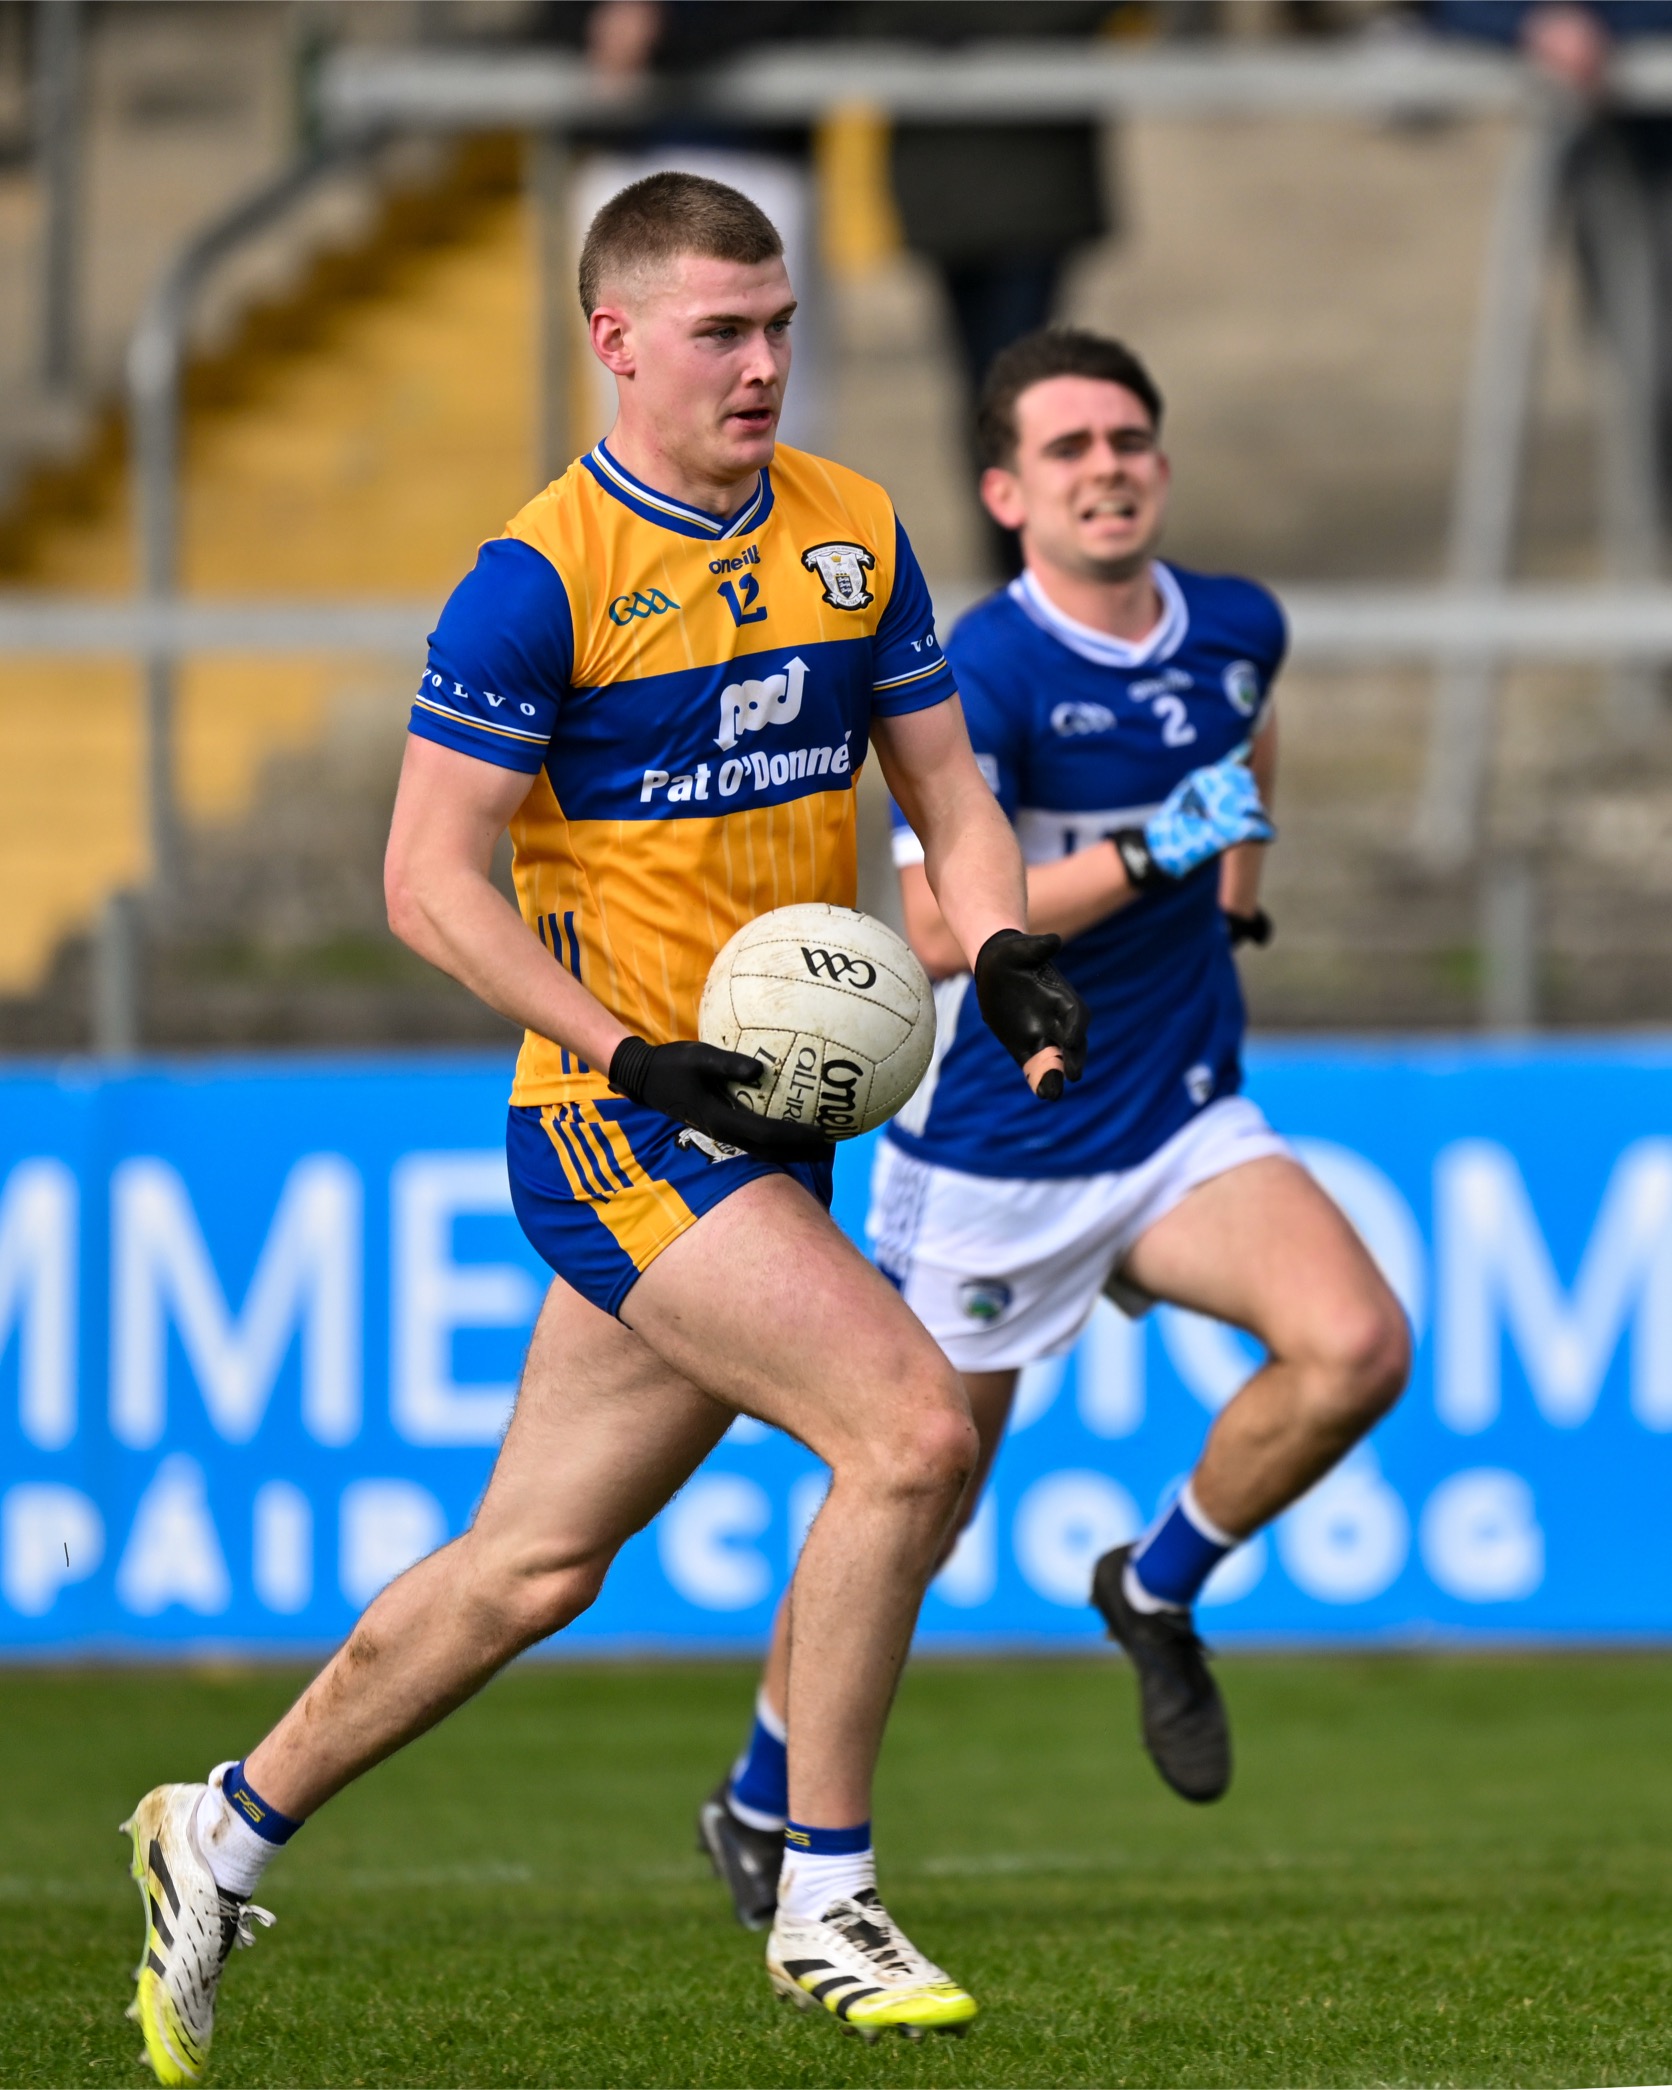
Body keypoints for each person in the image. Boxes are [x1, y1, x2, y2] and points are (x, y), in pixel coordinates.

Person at [117, 173, 1089, 2081]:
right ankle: (821, 1892)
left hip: (768, 1122)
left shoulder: (854, 530)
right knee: (910, 1430)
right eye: (723, 331)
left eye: (781, 323)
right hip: (618, 1121)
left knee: (531, 1566)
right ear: (616, 341)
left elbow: (950, 795)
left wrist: (1001, 942)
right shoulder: (537, 579)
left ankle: (216, 1829)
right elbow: (427, 881)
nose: (763, 362)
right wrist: (628, 1050)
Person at [698, 326, 1411, 1932]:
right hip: (998, 1148)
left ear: (1161, 461)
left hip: (1176, 1116)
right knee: (913, 1499)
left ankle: (1153, 1588)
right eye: (1069, 448)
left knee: (1357, 1344)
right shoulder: (985, 669)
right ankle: (756, 1788)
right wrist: (1161, 853)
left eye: (1127, 439)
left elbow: (1249, 736)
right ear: (1008, 491)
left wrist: (1239, 893)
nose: (1107, 467)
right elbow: (938, 929)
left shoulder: (1239, 625)